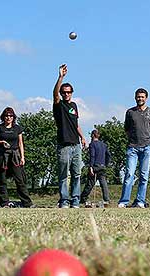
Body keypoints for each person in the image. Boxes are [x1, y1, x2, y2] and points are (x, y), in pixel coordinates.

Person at [53, 64, 86, 208]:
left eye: (69, 92)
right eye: (64, 92)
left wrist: (83, 138)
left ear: (72, 93)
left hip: (76, 145)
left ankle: (75, 200)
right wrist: (60, 77)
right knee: (64, 175)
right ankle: (64, 200)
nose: (66, 94)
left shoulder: (74, 106)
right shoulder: (59, 105)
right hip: (64, 145)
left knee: (77, 174)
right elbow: (54, 94)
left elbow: (76, 123)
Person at [118, 88, 150, 208]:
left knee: (144, 176)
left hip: (146, 147)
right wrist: (133, 138)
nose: (140, 98)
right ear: (135, 98)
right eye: (138, 97)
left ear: (146, 98)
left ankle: (140, 200)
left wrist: (144, 136)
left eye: (142, 97)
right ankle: (124, 201)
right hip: (132, 148)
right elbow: (127, 129)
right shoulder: (130, 112)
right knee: (129, 174)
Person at [0, 107, 34, 208]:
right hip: (1, 156)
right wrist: (1, 142)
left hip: (14, 155)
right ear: (3, 117)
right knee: (2, 180)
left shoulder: (17, 128)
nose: (8, 118)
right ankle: (4, 202)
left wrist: (22, 157)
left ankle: (27, 203)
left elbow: (21, 143)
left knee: (20, 180)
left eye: (10, 116)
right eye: (6, 116)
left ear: (13, 117)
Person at [80, 129, 111, 208]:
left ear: (93, 135)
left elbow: (92, 156)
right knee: (103, 184)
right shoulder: (104, 145)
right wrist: (105, 164)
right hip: (102, 166)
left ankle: (83, 199)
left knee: (90, 184)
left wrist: (91, 167)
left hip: (95, 166)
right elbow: (108, 155)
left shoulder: (92, 144)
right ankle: (106, 199)